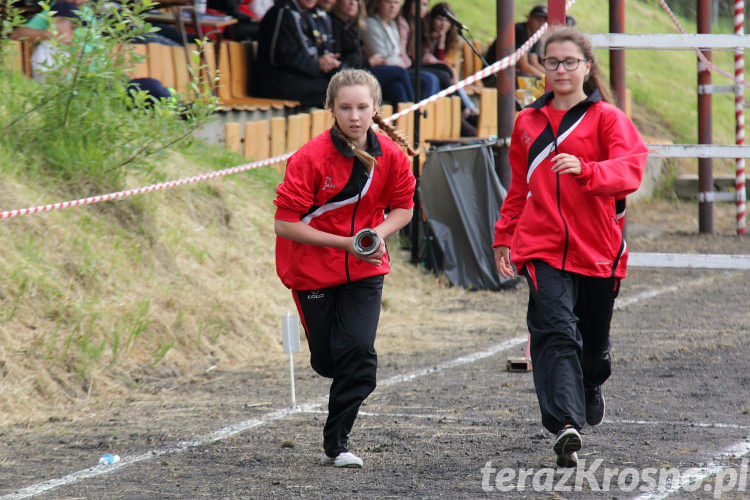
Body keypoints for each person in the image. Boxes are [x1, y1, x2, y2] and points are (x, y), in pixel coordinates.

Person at [492, 26, 648, 468]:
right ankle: (565, 425)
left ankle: (592, 381)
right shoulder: (527, 122)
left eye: (569, 62)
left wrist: (586, 169)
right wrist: (504, 235)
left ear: (586, 67)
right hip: (541, 247)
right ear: (542, 67)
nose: (560, 70)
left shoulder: (608, 119)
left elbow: (629, 171)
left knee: (592, 346)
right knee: (555, 332)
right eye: (552, 62)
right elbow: (519, 186)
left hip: (597, 247)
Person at [274, 69, 416, 468]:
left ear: (376, 109)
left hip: (366, 269)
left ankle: (337, 443)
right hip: (312, 270)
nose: (354, 116)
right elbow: (285, 223)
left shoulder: (392, 156)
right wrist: (345, 243)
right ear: (331, 110)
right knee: (328, 361)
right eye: (345, 108)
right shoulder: (310, 158)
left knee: (358, 355)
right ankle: (334, 362)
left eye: (362, 107)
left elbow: (404, 209)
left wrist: (377, 235)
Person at [254, 0, 341, 107]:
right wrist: (318, 65)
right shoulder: (282, 12)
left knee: (342, 84)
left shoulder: (303, 13)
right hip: (275, 82)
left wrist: (327, 62)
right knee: (336, 90)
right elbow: (281, 57)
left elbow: (308, 51)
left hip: (296, 78)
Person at [330, 0, 415, 105]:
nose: (352, 3)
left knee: (398, 87)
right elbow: (379, 56)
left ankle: (406, 118)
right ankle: (415, 111)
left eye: (356, 1)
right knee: (400, 72)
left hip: (362, 68)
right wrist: (368, 62)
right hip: (355, 72)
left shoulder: (352, 25)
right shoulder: (337, 24)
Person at [361, 0, 439, 100]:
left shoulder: (393, 24)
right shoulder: (370, 24)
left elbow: (396, 53)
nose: (392, 6)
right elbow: (381, 56)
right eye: (388, 2)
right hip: (379, 70)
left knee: (430, 79)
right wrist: (398, 62)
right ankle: (414, 111)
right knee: (403, 73)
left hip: (397, 69)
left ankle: (422, 111)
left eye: (396, 3)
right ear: (378, 4)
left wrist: (397, 61)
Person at [423, 2, 478, 135]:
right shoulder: (424, 35)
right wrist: (440, 44)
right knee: (445, 76)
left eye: (447, 21)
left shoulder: (452, 41)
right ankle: (467, 109)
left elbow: (449, 65)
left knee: (450, 78)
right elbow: (440, 65)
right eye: (440, 19)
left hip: (448, 80)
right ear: (432, 19)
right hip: (429, 72)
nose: (443, 24)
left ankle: (469, 109)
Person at [484, 4, 547, 86]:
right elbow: (524, 67)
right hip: (495, 76)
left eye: (544, 22)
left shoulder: (536, 35)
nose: (541, 25)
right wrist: (545, 79)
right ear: (528, 18)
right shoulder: (518, 31)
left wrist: (549, 76)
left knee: (537, 81)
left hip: (511, 75)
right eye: (538, 20)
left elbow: (534, 63)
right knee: (533, 82)